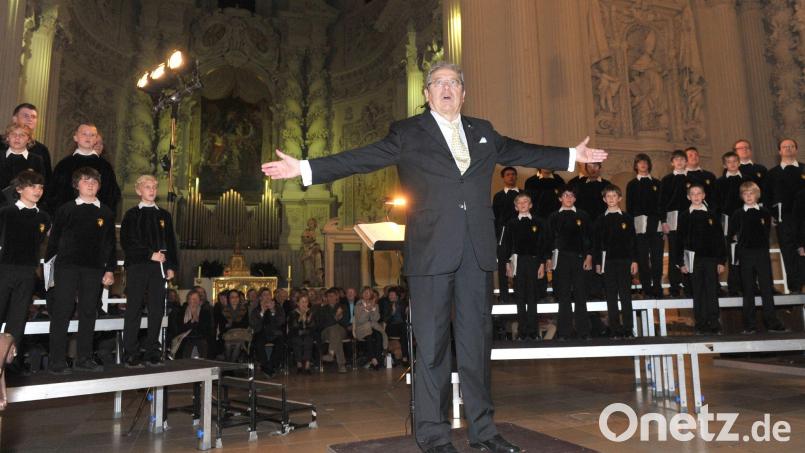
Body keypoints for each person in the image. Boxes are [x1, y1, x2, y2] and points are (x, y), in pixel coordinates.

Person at [261, 61, 606, 453]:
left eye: (454, 83)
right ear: (426, 94)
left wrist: (569, 156)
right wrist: (305, 167)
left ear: (464, 92)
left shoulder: (483, 132)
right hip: (430, 254)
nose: (446, 88)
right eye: (438, 83)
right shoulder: (409, 132)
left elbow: (521, 149)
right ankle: (434, 434)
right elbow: (364, 157)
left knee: (477, 344)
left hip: (476, 253)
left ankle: (483, 430)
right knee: (432, 346)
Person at [46, 167, 116, 374]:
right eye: (86, 180)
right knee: (62, 312)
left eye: (94, 181)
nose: (91, 184)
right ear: (77, 185)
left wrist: (110, 270)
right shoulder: (66, 209)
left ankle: (84, 358)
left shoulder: (106, 212)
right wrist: (49, 271)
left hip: (93, 269)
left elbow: (110, 244)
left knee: (88, 312)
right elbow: (54, 241)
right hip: (66, 267)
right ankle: (56, 360)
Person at [120, 175, 178, 367]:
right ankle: (131, 351)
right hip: (138, 266)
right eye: (147, 187)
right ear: (139, 191)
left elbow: (171, 243)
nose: (152, 190)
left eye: (154, 187)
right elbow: (128, 242)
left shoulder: (164, 215)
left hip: (159, 267)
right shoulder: (131, 215)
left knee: (156, 308)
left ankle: (152, 349)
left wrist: (171, 266)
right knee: (134, 308)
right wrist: (149, 255)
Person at [0, 170, 51, 373]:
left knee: (18, 318)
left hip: (28, 272)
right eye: (32, 186)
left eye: (40, 187)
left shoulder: (44, 217)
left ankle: (11, 361)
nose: (37, 191)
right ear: (19, 189)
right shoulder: (6, 212)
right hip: (4, 269)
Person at [728, 182, 787, 334]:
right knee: (748, 290)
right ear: (742, 196)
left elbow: (765, 233)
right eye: (745, 194)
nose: (748, 196)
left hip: (761, 254)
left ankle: (772, 322)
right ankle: (749, 325)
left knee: (767, 288)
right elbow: (732, 236)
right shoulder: (737, 214)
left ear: (757, 195)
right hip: (745, 255)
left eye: (751, 193)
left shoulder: (765, 213)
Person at [677, 184, 726, 335]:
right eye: (693, 194)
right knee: (697, 290)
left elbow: (719, 239)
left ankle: (714, 321)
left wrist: (721, 261)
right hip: (693, 259)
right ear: (688, 197)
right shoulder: (685, 215)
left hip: (711, 258)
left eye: (699, 193)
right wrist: (681, 262)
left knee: (712, 290)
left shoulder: (712, 215)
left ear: (704, 195)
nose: (696, 196)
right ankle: (700, 322)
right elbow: (679, 240)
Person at [547, 186, 593, 340]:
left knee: (581, 294)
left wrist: (588, 256)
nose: (568, 198)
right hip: (560, 259)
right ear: (560, 198)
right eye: (565, 195)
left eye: (571, 196)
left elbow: (588, 238)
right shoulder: (553, 216)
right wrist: (548, 259)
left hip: (579, 258)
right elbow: (549, 240)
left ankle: (583, 332)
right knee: (563, 295)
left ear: (575, 198)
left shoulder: (583, 215)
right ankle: (564, 332)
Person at [501, 192, 549, 340]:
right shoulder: (510, 223)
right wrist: (507, 264)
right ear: (516, 207)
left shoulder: (539, 222)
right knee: (520, 296)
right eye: (519, 203)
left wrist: (542, 264)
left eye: (525, 202)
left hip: (534, 262)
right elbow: (506, 245)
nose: (523, 205)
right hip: (518, 262)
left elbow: (543, 244)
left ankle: (533, 331)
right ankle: (522, 331)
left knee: (532, 296)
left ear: (530, 205)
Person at [593, 185, 637, 338]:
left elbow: (633, 241)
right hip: (608, 262)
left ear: (620, 198)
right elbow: (596, 244)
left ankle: (628, 328)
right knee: (611, 297)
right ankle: (615, 329)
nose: (611, 199)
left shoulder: (627, 218)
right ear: (604, 199)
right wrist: (598, 263)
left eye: (614, 196)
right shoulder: (600, 219)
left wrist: (634, 261)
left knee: (625, 296)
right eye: (608, 197)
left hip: (625, 261)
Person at [48, 124, 121, 213]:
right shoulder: (64, 165)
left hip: (96, 216)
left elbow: (111, 195)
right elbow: (55, 194)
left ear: (96, 140)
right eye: (84, 134)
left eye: (92, 135)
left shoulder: (105, 166)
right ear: (75, 137)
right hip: (69, 216)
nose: (88, 137)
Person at [766, 138, 805, 293]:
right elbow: (767, 197)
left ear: (796, 149)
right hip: (784, 219)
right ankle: (795, 288)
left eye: (791, 146)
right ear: (779, 151)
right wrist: (771, 215)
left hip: (804, 220)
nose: (788, 149)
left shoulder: (804, 169)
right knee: (789, 253)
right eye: (784, 147)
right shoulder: (772, 174)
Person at [626, 153, 663, 299]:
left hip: (655, 223)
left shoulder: (657, 183)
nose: (643, 165)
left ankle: (657, 286)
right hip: (639, 224)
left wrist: (663, 221)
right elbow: (629, 207)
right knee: (642, 257)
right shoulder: (632, 184)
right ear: (636, 166)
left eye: (645, 162)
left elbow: (661, 205)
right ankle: (646, 287)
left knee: (657, 257)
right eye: (640, 163)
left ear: (649, 165)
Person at [715, 151, 747, 296]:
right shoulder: (719, 182)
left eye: (735, 161)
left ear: (739, 162)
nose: (733, 164)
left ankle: (748, 284)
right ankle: (733, 286)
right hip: (727, 220)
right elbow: (716, 204)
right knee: (730, 252)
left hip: (745, 220)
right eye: (729, 162)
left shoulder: (747, 180)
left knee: (745, 252)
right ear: (724, 164)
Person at [660, 150, 691, 297]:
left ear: (686, 162)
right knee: (674, 253)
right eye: (676, 160)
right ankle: (674, 286)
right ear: (672, 162)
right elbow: (661, 202)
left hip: (690, 218)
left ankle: (690, 284)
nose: (679, 162)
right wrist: (663, 221)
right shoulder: (666, 180)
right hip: (672, 219)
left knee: (689, 250)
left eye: (682, 159)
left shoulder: (693, 178)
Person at [492, 166, 519, 303]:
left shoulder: (523, 194)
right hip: (503, 235)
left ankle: (520, 295)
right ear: (503, 177)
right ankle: (504, 297)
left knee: (519, 264)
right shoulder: (498, 196)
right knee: (502, 265)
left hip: (520, 234)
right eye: (508, 174)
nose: (511, 177)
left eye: (513, 174)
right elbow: (495, 217)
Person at [0, 123, 47, 202]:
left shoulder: (36, 160)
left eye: (22, 135)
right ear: (7, 137)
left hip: (27, 204)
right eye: (13, 134)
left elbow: (42, 184)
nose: (17, 138)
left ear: (29, 139)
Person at [10, 103, 52, 183]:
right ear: (15, 119)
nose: (30, 119)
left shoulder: (41, 150)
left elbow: (47, 181)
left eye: (33, 117)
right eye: (26, 116)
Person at [250, 288, 286, 377]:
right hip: (260, 332)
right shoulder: (256, 309)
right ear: (260, 298)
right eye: (264, 295)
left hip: (274, 332)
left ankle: (270, 366)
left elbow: (281, 322)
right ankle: (267, 367)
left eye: (268, 295)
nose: (267, 297)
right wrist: (262, 312)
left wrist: (273, 311)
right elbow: (253, 324)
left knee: (281, 342)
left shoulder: (278, 307)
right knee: (258, 343)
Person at [170, 290, 214, 359]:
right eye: (191, 299)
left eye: (196, 299)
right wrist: (192, 321)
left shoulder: (205, 312)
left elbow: (206, 330)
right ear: (188, 300)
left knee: (201, 344)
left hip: (200, 339)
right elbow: (179, 329)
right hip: (185, 339)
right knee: (188, 345)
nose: (193, 301)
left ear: (199, 301)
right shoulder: (182, 312)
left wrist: (196, 319)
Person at [353, 288, 387, 370]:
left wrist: (373, 309)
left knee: (379, 335)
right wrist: (367, 311)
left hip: (373, 327)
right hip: (361, 329)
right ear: (362, 294)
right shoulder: (358, 305)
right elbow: (360, 320)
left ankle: (377, 359)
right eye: (364, 292)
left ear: (371, 294)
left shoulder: (376, 305)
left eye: (368, 293)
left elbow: (376, 319)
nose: (366, 294)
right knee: (369, 337)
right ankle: (374, 360)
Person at [317, 287, 349, 373]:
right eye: (328, 296)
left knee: (336, 331)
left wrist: (337, 318)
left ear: (337, 297)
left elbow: (346, 322)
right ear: (326, 298)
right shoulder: (322, 309)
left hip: (341, 331)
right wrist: (336, 317)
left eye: (332, 296)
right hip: (326, 332)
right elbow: (322, 324)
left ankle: (331, 354)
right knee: (335, 329)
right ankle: (341, 365)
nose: (330, 298)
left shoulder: (343, 307)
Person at [215, 290, 250, 362]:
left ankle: (230, 367)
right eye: (232, 297)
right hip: (227, 335)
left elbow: (245, 325)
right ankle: (230, 366)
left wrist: (231, 325)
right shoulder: (224, 311)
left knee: (238, 344)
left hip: (240, 335)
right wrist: (235, 324)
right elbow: (222, 327)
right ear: (229, 299)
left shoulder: (244, 309)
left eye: (236, 297)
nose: (235, 299)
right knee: (227, 345)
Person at [732, 139, 767, 203]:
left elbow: (766, 189)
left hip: (760, 205)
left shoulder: (761, 169)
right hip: (740, 206)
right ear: (735, 152)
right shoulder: (731, 170)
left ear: (751, 151)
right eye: (740, 148)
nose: (744, 150)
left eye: (746, 147)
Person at [287, 294, 315, 374]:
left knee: (308, 340)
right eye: (302, 302)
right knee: (297, 339)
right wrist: (301, 316)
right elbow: (293, 327)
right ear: (297, 303)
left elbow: (313, 327)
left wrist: (308, 319)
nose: (304, 304)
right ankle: (299, 364)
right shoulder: (292, 313)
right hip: (296, 333)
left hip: (308, 333)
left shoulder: (311, 312)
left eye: (306, 302)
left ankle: (307, 365)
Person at [685, 147, 718, 212]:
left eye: (696, 155)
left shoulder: (710, 175)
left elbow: (715, 196)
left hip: (708, 213)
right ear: (684, 159)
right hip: (687, 214)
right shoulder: (681, 177)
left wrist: (714, 211)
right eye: (690, 155)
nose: (694, 157)